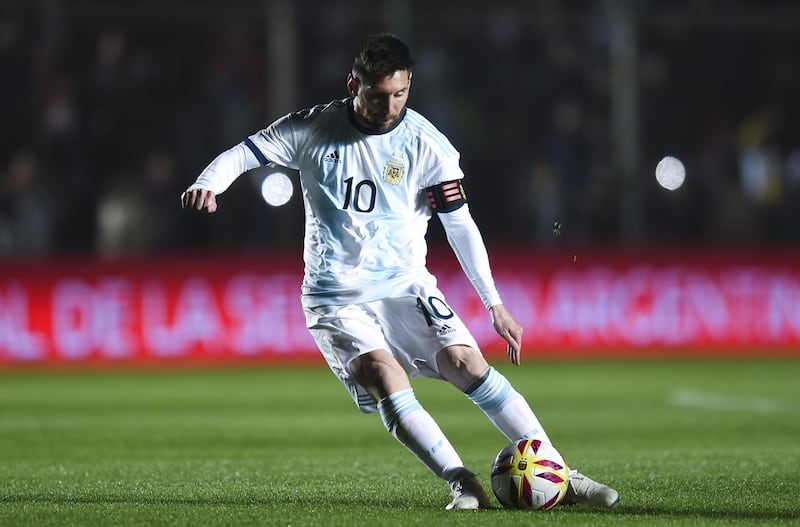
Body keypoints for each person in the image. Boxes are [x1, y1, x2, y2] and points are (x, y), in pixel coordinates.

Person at [181, 32, 618, 510]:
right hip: (335, 295)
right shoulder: (313, 129)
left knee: (466, 363)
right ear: (354, 85)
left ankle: (558, 471)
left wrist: (494, 303)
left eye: (400, 93)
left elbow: (460, 225)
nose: (391, 106)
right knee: (384, 375)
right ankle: (462, 482)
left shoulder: (426, 144)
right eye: (378, 95)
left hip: (404, 285)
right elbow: (246, 152)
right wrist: (209, 182)